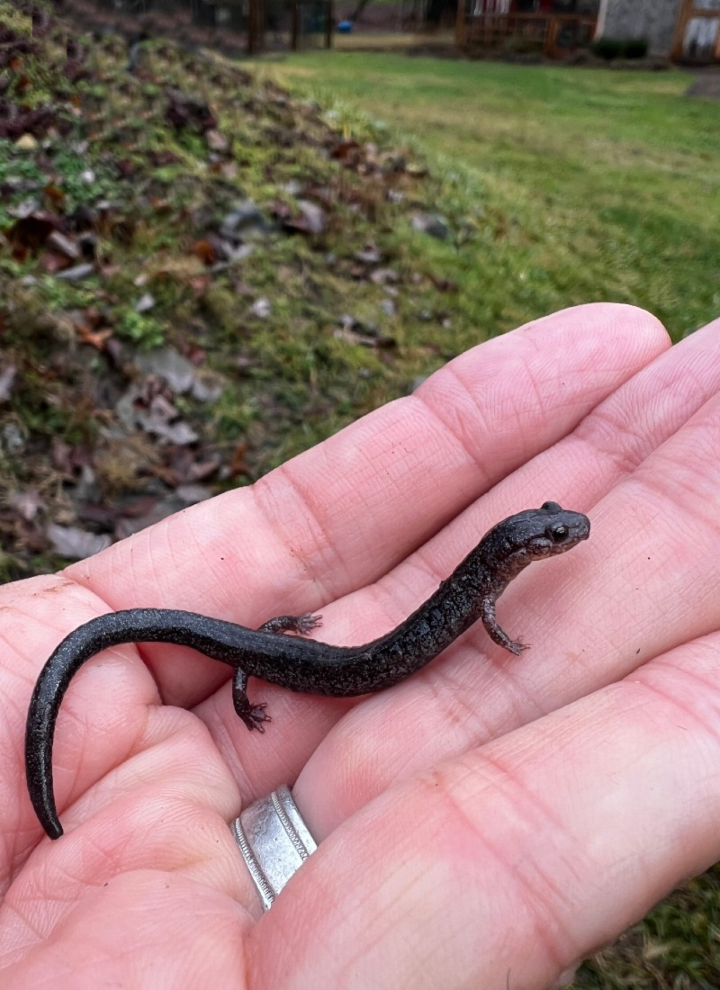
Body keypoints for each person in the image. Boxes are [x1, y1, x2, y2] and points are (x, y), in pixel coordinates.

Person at [2, 301, 719, 988]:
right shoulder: (485, 592)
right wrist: (503, 642)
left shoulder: (483, 578)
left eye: (558, 532)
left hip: (289, 653)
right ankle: (226, 662)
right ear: (523, 547)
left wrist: (270, 640)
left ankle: (247, 650)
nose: (565, 539)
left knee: (251, 649)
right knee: (249, 653)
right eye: (557, 535)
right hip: (289, 660)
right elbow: (489, 621)